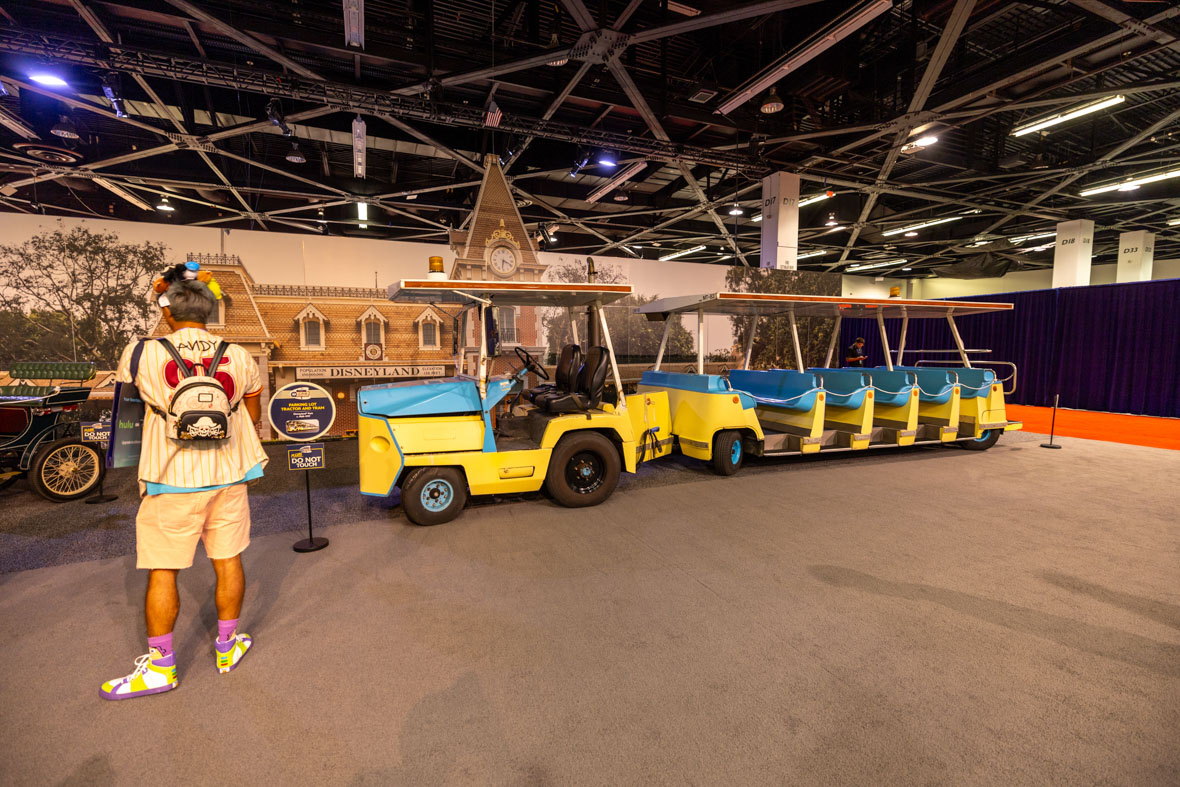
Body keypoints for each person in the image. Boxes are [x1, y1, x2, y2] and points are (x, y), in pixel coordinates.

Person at [100, 266, 267, 701]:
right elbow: (251, 406)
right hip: (230, 474)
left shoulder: (141, 354)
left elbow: (128, 400)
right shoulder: (239, 354)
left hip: (169, 477)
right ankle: (228, 648)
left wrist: (161, 293)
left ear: (168, 312)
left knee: (164, 570)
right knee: (228, 560)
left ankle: (160, 668)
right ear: (211, 313)